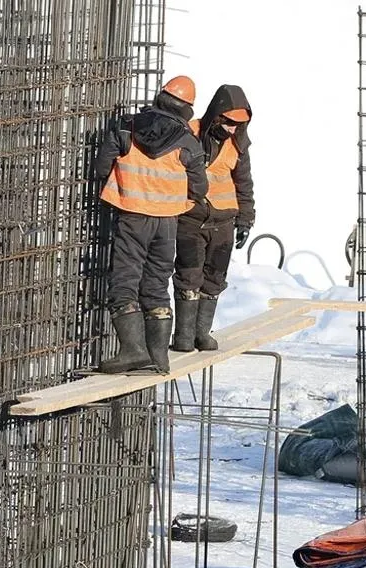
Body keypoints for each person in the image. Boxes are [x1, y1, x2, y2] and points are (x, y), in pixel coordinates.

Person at [93, 75, 208, 374]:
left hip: (132, 216)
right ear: (187, 109)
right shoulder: (188, 142)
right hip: (167, 221)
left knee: (124, 282)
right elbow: (200, 188)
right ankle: (158, 358)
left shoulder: (126, 127)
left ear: (160, 97)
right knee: (156, 285)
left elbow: (102, 167)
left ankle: (132, 350)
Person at [170, 84, 255, 353]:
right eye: (229, 122)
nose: (232, 129)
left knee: (214, 279)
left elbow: (244, 184)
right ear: (218, 115)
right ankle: (183, 337)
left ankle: (201, 334)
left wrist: (246, 219)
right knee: (188, 276)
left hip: (223, 222)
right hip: (191, 218)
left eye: (237, 124)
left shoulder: (238, 145)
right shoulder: (190, 133)